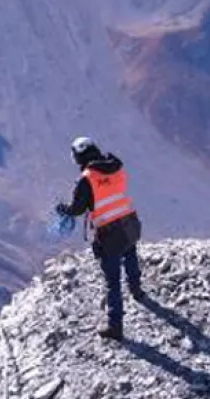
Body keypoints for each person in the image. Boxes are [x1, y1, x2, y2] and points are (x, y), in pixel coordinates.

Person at [54, 136, 144, 340]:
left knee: (112, 280)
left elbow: (77, 209)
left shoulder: (86, 179)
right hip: (129, 220)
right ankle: (137, 290)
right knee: (130, 253)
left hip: (109, 231)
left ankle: (115, 326)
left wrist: (63, 209)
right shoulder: (116, 166)